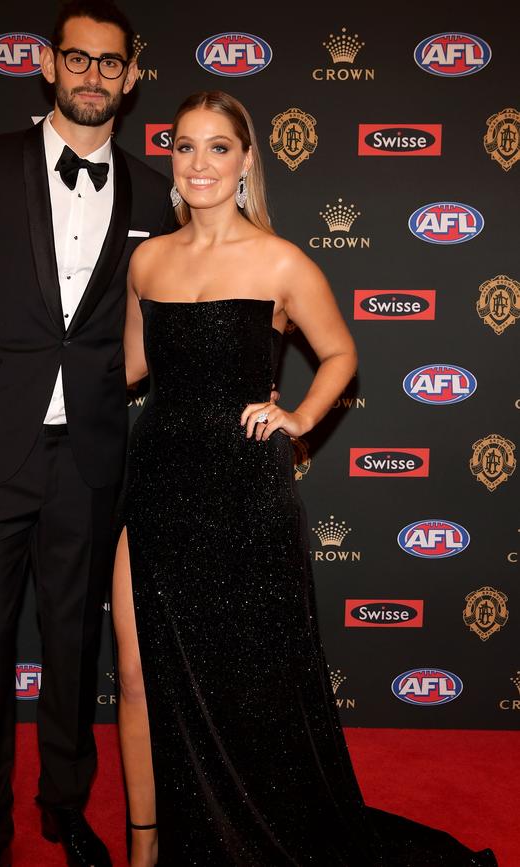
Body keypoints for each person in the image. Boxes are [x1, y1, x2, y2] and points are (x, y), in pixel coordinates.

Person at [112, 90, 498, 867]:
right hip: (156, 481)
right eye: (184, 147)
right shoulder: (146, 259)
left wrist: (300, 418)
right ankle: (147, 850)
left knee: (252, 683)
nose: (199, 164)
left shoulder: (281, 260)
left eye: (218, 147)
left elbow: (343, 353)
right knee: (134, 670)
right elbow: (130, 368)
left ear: (247, 160)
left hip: (243, 493)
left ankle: (251, 830)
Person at [0, 2, 174, 864]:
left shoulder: (146, 191)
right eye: (77, 58)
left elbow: (154, 330)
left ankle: (65, 806)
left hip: (90, 458)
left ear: (131, 77)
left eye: (110, 63)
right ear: (47, 65)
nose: (93, 75)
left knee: (73, 643)